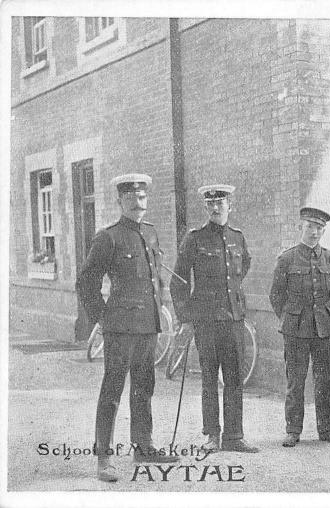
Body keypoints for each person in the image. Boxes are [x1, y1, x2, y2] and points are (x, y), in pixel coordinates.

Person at [76, 173, 179, 483]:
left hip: (148, 324)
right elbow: (86, 281)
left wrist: (163, 306)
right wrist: (103, 318)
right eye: (132, 198)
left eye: (143, 198)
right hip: (120, 328)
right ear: (120, 201)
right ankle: (103, 458)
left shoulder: (149, 233)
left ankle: (143, 446)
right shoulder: (108, 237)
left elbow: (155, 278)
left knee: (144, 387)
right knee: (113, 389)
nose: (138, 203)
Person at [170, 184, 259, 454]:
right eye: (211, 204)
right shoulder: (195, 238)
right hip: (206, 320)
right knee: (209, 378)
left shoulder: (237, 237)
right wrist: (185, 318)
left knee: (234, 378)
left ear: (230, 205)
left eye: (221, 203)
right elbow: (179, 281)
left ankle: (234, 435)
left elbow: (244, 266)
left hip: (233, 318)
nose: (216, 208)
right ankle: (212, 435)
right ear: (206, 208)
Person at [269, 207, 330, 447]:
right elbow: (276, 296)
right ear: (300, 227)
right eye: (310, 227)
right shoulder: (287, 258)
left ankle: (327, 429)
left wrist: (322, 313)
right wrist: (290, 317)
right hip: (296, 329)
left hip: (323, 329)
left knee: (324, 381)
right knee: (296, 380)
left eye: (320, 228)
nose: (315, 232)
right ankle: (293, 430)